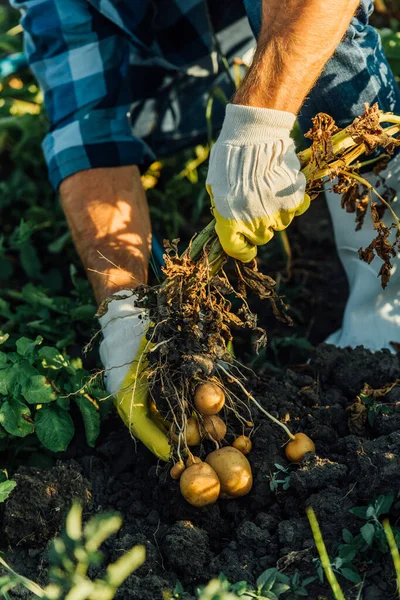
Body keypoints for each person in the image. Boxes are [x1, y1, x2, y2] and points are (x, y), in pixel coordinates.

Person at [11, 0, 400, 457]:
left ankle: (387, 307)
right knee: (118, 112)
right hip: (172, 56)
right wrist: (121, 307)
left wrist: (260, 122)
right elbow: (89, 136)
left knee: (324, 47)